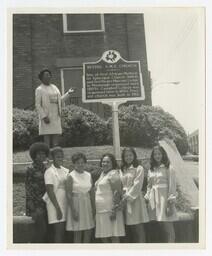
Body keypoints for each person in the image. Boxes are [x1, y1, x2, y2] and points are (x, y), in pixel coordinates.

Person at [144, 144, 178, 243]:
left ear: (163, 155)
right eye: (155, 154)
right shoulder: (151, 169)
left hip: (164, 200)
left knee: (168, 226)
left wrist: (170, 202)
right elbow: (149, 185)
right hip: (154, 200)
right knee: (161, 225)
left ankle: (172, 248)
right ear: (153, 156)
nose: (157, 156)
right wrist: (147, 196)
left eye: (159, 154)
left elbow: (172, 186)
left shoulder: (169, 168)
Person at [35, 69, 74, 147]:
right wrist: (44, 116)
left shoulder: (54, 87)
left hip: (56, 116)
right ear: (41, 78)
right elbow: (38, 105)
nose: (48, 76)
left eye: (49, 75)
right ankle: (48, 158)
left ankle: (55, 157)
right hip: (47, 117)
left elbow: (60, 101)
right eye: (46, 75)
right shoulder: (39, 89)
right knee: (47, 141)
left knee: (56, 141)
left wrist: (68, 93)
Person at [119, 147, 149, 243]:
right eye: (126, 156)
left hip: (135, 199)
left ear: (134, 156)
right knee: (130, 227)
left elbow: (137, 185)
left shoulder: (139, 168)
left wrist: (127, 197)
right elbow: (120, 184)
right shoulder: (122, 169)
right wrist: (122, 197)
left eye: (130, 155)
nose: (128, 157)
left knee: (138, 227)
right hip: (124, 200)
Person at [95, 153, 125, 243]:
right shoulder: (103, 174)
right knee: (104, 236)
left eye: (108, 162)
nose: (105, 164)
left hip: (110, 210)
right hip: (101, 210)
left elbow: (117, 193)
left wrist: (114, 210)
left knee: (113, 236)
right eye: (103, 162)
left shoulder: (113, 174)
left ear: (113, 163)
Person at [66, 153, 95, 243]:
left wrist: (94, 207)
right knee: (78, 232)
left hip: (87, 204)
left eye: (82, 162)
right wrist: (73, 210)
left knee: (88, 230)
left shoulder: (88, 175)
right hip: (76, 204)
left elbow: (92, 192)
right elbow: (68, 194)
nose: (80, 165)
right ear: (74, 164)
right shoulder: (71, 176)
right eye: (78, 163)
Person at [25, 142, 50, 243]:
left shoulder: (46, 168)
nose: (42, 156)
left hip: (46, 203)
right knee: (41, 230)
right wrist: (33, 208)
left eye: (44, 154)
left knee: (46, 232)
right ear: (34, 155)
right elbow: (28, 188)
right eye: (39, 154)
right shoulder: (30, 169)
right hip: (35, 204)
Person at [43, 147, 69, 243]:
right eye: (58, 157)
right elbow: (50, 191)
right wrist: (58, 209)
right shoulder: (49, 172)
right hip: (55, 205)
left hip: (65, 203)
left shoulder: (66, 170)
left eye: (62, 157)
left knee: (65, 232)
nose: (60, 159)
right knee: (59, 232)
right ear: (52, 158)